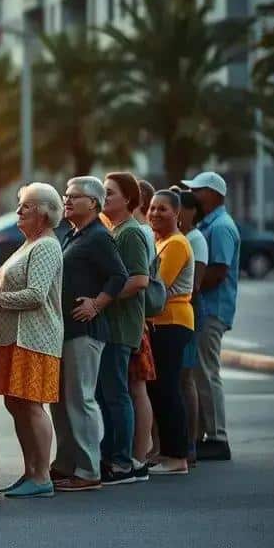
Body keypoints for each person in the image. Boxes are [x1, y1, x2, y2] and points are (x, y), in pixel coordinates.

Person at [53, 176, 129, 492]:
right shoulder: (74, 234)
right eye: (66, 195)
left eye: (74, 197)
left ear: (93, 204)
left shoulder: (99, 236)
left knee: (80, 399)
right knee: (61, 401)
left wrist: (97, 304)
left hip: (86, 331)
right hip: (65, 330)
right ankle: (67, 464)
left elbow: (120, 276)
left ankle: (88, 470)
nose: (67, 200)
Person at [0, 183, 64, 499]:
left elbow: (36, 295)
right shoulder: (28, 244)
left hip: (35, 338)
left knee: (32, 406)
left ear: (45, 214)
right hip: (14, 337)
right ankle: (30, 471)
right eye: (21, 205)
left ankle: (42, 475)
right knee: (15, 403)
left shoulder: (46, 246)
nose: (19, 211)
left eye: (27, 206)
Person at [96, 173, 150, 486]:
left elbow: (139, 280)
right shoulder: (113, 230)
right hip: (110, 326)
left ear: (128, 199)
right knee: (106, 393)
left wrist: (102, 300)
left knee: (116, 394)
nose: (104, 198)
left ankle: (123, 462)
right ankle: (111, 454)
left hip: (121, 326)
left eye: (110, 193)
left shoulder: (130, 233)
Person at [186, 171, 239, 461]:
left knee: (206, 372)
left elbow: (218, 271)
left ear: (215, 194)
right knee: (199, 372)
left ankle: (218, 437)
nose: (193, 193)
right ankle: (207, 433)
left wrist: (187, 284)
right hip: (206, 308)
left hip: (212, 309)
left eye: (198, 189)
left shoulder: (220, 227)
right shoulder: (209, 223)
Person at [146, 189, 196, 475]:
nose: (154, 213)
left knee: (168, 389)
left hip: (173, 321)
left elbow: (156, 287)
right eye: (152, 208)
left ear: (177, 214)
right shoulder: (160, 242)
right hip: (161, 323)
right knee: (159, 389)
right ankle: (165, 451)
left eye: (162, 209)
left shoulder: (176, 244)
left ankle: (177, 457)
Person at [129, 179, 158, 473]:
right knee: (134, 388)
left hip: (137, 321)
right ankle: (138, 452)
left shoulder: (140, 233)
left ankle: (139, 454)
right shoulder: (143, 232)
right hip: (138, 319)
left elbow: (139, 279)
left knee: (137, 387)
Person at [176, 188, 207, 463]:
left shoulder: (195, 239)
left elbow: (194, 286)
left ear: (191, 211)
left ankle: (191, 443)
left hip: (189, 314)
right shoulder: (177, 238)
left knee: (186, 377)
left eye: (177, 207)